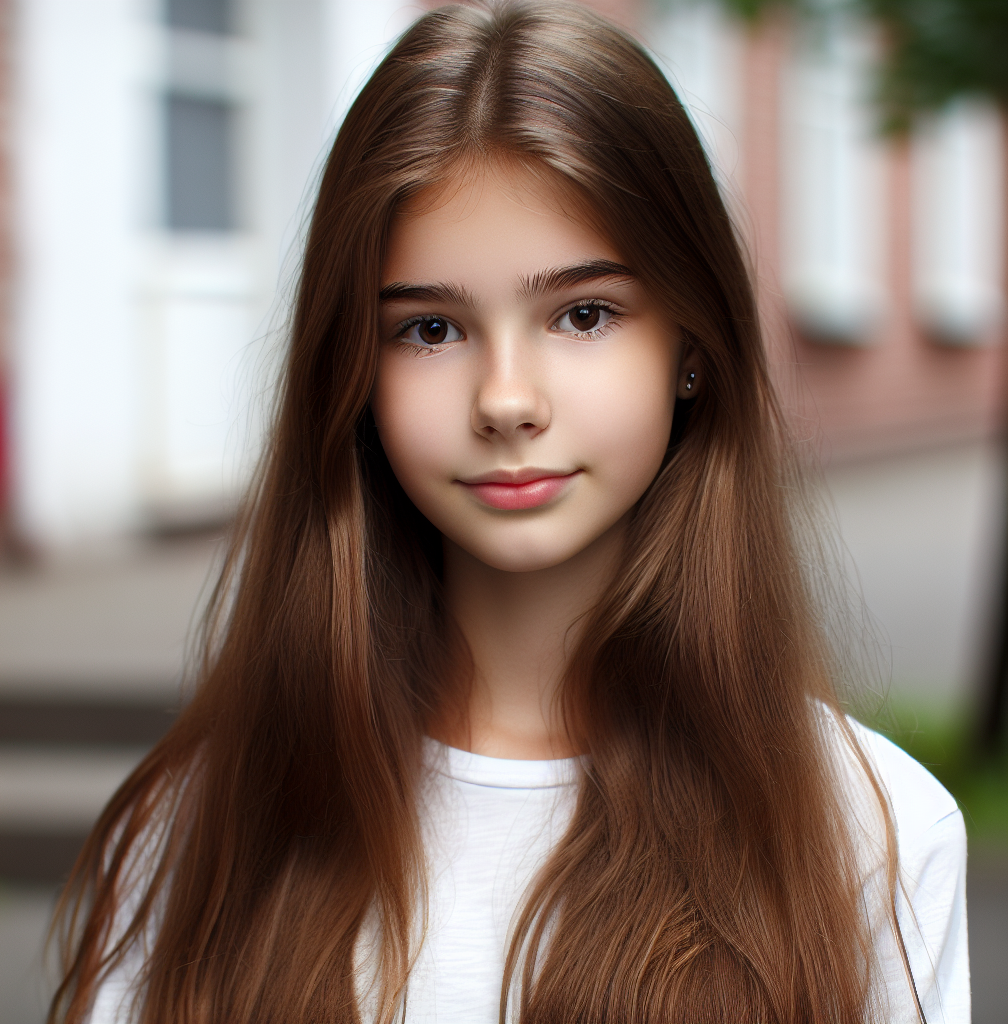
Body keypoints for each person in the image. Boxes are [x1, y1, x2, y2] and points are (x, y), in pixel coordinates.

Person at [49, 2, 968, 1022]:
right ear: (350, 370)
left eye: (583, 314)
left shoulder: (866, 832)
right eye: (431, 328)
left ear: (692, 347)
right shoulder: (196, 827)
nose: (505, 399)